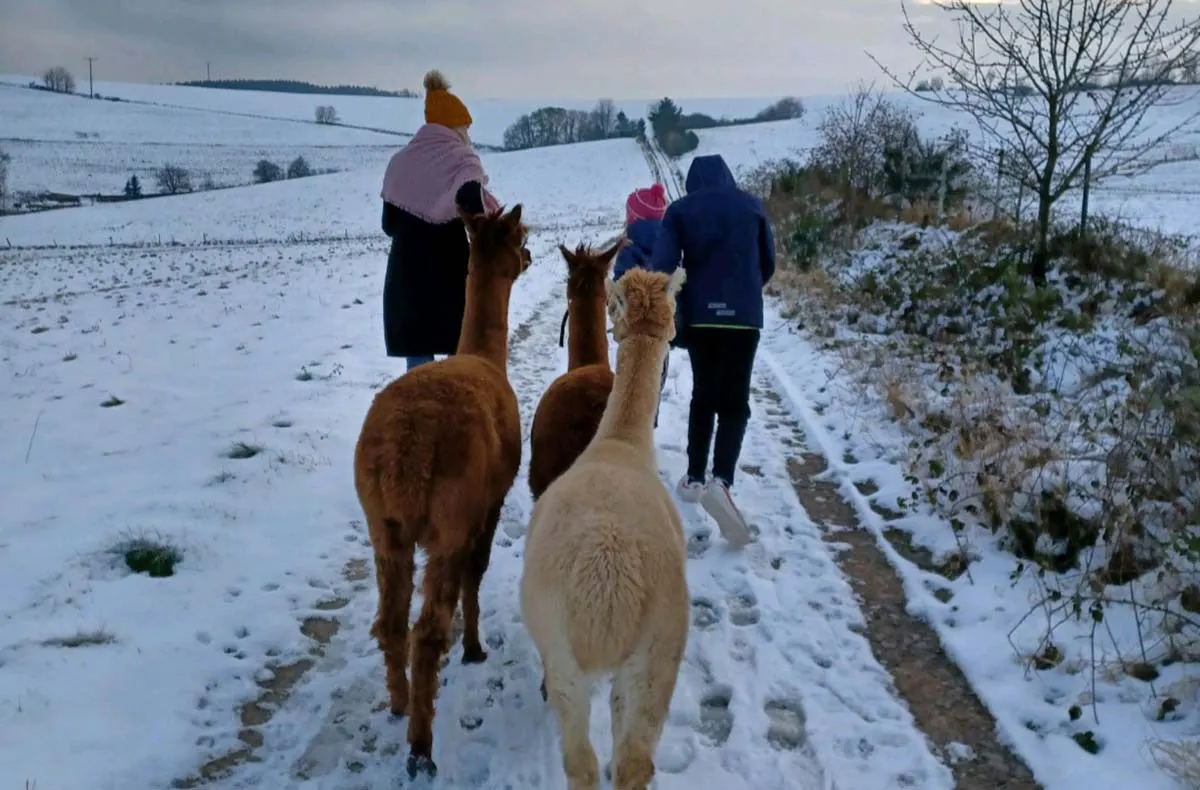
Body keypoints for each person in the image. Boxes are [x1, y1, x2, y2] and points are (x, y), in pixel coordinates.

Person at [648, 154, 775, 545]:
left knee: (703, 396)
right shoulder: (753, 206)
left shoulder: (681, 210)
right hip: (745, 318)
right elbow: (767, 263)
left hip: (702, 317)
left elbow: (664, 266)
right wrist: (744, 290)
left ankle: (694, 477)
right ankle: (723, 479)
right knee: (735, 400)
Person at [379, 69, 500, 372]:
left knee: (419, 375)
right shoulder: (461, 161)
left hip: (406, 280)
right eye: (465, 128)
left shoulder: (400, 162)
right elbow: (475, 213)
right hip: (449, 277)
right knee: (455, 370)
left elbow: (389, 225)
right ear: (453, 127)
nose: (468, 136)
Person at [613, 183, 671, 427]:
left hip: (632, 334)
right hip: (660, 333)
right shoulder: (670, 245)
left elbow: (618, 294)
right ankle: (649, 423)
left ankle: (628, 426)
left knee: (630, 380)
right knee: (656, 377)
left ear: (632, 217)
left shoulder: (628, 251)